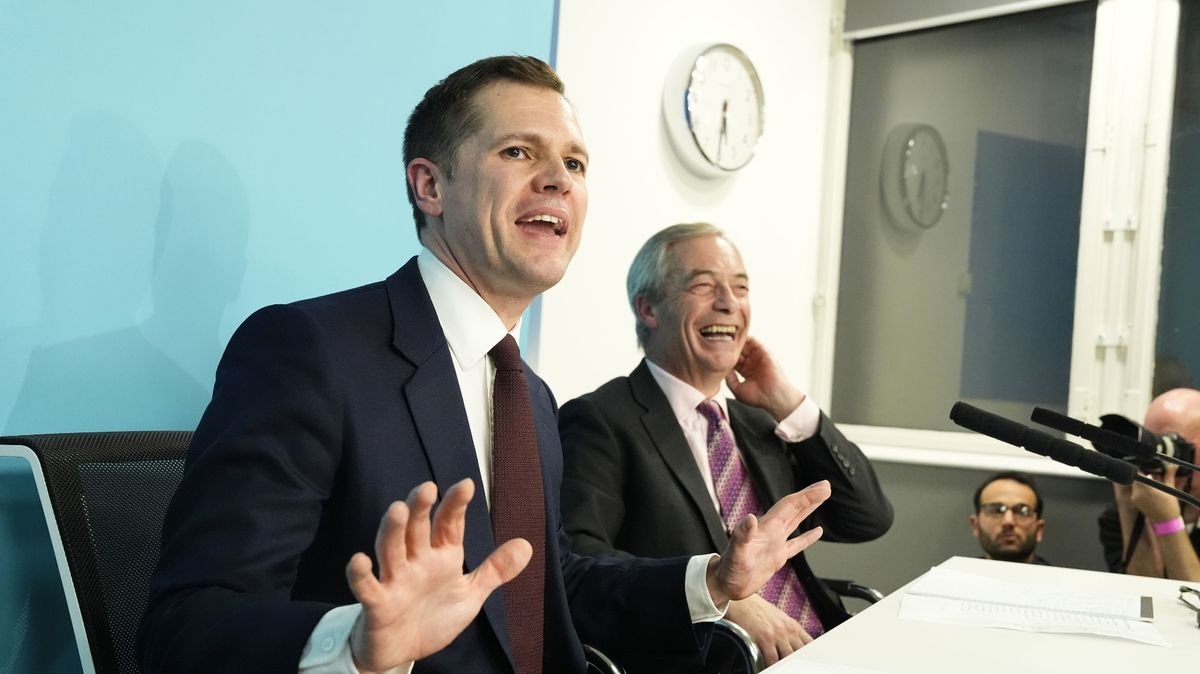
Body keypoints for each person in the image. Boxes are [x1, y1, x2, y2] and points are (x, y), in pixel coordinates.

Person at [136, 56, 833, 674]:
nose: (558, 180)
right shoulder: (307, 350)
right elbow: (184, 625)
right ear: (430, 187)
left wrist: (710, 581)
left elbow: (548, 585)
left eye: (575, 163)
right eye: (519, 151)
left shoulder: (530, 394)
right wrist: (356, 645)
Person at [558, 223, 892, 668]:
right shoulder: (599, 419)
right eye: (703, 286)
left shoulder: (758, 423)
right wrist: (715, 594)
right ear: (649, 309)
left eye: (740, 288)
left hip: (820, 644)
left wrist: (789, 403)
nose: (729, 303)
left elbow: (865, 518)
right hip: (717, 656)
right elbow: (580, 561)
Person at [1099, 388, 1200, 581]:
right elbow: (1144, 590)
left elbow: (1194, 597)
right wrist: (1128, 507)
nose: (1159, 458)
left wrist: (1167, 522)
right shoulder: (1117, 515)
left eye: (1175, 444)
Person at [968, 471, 1049, 565]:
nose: (1008, 521)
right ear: (975, 525)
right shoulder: (957, 574)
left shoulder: (1058, 575)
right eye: (996, 510)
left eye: (1022, 511)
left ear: (1039, 529)